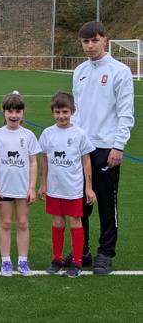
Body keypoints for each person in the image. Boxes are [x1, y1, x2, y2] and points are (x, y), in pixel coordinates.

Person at [71, 21, 135, 275]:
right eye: (85, 41)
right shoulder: (79, 71)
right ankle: (83, 250)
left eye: (94, 40)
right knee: (80, 205)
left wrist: (118, 146)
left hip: (106, 148)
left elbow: (126, 112)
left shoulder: (120, 71)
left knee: (107, 204)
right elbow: (76, 111)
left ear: (105, 40)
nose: (90, 46)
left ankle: (106, 253)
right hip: (81, 149)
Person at [39, 92, 96, 278]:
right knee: (57, 221)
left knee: (74, 222)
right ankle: (57, 259)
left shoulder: (79, 134)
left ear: (72, 111)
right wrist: (43, 184)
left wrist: (88, 187)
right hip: (54, 188)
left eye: (65, 111)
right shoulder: (47, 133)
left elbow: (86, 161)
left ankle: (77, 262)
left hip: (73, 188)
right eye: (57, 112)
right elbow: (44, 160)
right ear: (52, 112)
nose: (61, 116)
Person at [0, 92, 41, 277]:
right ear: (3, 112)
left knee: (23, 223)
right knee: (6, 223)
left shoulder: (29, 135)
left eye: (17, 111)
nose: (13, 115)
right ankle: (6, 260)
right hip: (4, 188)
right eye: (10, 111)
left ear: (23, 113)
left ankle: (23, 261)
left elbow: (33, 162)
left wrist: (32, 187)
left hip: (23, 188)